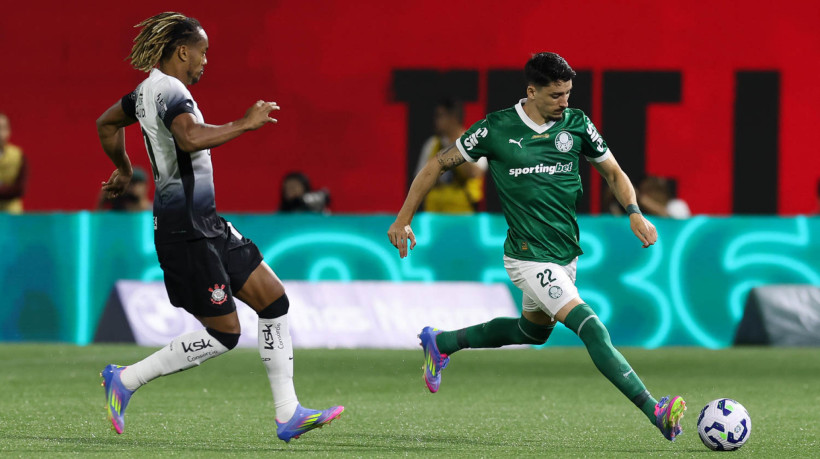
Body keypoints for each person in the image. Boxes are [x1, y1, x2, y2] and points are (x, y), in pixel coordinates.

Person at [388, 52, 686, 442]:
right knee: (592, 328)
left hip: (565, 255)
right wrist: (403, 218)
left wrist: (634, 211)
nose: (565, 102)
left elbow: (613, 170)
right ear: (532, 91)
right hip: (528, 256)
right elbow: (436, 165)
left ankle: (441, 342)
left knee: (533, 332)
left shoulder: (577, 124)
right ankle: (656, 411)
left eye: (568, 93)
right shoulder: (496, 128)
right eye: (556, 95)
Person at [95, 12, 343, 441]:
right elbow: (189, 138)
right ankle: (126, 379)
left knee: (274, 301)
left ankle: (288, 413)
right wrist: (245, 124)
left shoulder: (143, 92)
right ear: (183, 51)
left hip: (206, 224)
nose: (205, 61)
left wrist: (123, 167)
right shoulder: (171, 91)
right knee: (225, 334)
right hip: (185, 231)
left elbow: (106, 123)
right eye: (203, 52)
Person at [414, 99, 486, 213]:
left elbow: (474, 173)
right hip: (434, 214)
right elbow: (420, 179)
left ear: (453, 118)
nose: (435, 120)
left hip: (463, 214)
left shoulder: (475, 143)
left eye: (440, 116)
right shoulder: (432, 144)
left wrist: (456, 146)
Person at [0, 113, 28, 214]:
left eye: (2, 128)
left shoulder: (18, 156)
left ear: (9, 131)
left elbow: (20, 189)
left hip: (11, 214)